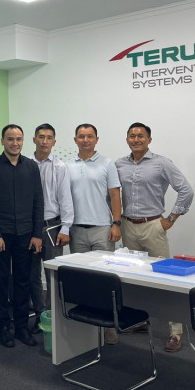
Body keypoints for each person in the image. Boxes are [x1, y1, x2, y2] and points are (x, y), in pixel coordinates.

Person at [115, 122, 194, 352]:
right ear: (127, 139)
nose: (136, 139)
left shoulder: (161, 163)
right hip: (128, 226)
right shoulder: (119, 164)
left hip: (153, 226)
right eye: (132, 136)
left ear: (149, 140)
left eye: (141, 136)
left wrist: (171, 218)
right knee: (132, 278)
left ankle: (175, 333)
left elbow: (186, 190)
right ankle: (138, 321)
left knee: (165, 279)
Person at [0, 124, 44, 348]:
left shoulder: (31, 167)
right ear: (2, 141)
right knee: (0, 283)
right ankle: (4, 329)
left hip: (26, 235)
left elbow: (38, 201)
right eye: (10, 139)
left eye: (18, 139)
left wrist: (37, 234)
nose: (15, 143)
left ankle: (21, 328)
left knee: (23, 282)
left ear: (23, 141)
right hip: (2, 235)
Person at [66, 123, 122, 344]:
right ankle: (87, 329)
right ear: (75, 140)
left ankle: (108, 327)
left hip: (102, 229)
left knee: (104, 281)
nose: (85, 140)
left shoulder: (107, 164)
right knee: (81, 280)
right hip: (76, 229)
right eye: (81, 136)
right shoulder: (67, 166)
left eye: (90, 136)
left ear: (96, 139)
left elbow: (115, 196)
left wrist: (116, 223)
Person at [29, 123, 74, 334]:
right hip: (29, 228)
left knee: (52, 276)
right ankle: (39, 314)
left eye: (49, 137)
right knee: (32, 275)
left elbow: (66, 198)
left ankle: (53, 316)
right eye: (41, 137)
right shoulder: (24, 164)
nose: (44, 141)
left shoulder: (60, 167)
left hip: (52, 227)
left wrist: (66, 228)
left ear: (54, 142)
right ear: (34, 140)